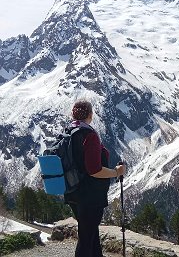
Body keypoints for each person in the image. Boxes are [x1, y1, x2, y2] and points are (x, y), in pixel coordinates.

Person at [65, 99, 125, 257]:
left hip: (73, 191)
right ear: (90, 115)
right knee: (86, 240)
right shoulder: (89, 135)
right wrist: (116, 172)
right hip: (89, 196)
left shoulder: (69, 131)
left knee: (91, 235)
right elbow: (94, 170)